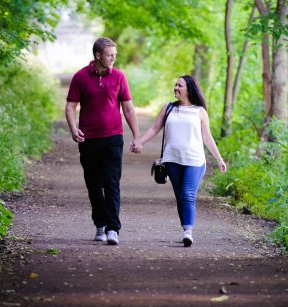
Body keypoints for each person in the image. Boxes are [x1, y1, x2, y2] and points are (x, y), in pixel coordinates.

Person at [65, 37, 142, 246]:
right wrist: (73, 128)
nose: (113, 59)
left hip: (113, 139)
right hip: (88, 139)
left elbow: (128, 108)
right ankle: (100, 223)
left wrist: (136, 137)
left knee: (111, 183)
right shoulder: (81, 77)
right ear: (98, 55)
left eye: (115, 55)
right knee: (93, 185)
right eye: (110, 55)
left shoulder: (119, 76)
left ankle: (113, 228)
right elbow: (71, 106)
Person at [140, 75, 226, 247]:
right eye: (175, 85)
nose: (176, 88)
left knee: (187, 194)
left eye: (180, 85)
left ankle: (188, 232)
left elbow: (207, 137)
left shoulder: (199, 111)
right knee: (181, 196)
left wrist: (219, 158)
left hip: (194, 160)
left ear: (189, 89)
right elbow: (155, 128)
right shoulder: (169, 108)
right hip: (172, 160)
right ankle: (185, 228)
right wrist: (139, 142)